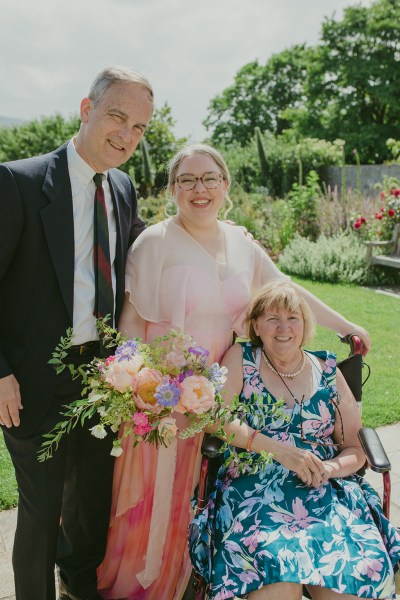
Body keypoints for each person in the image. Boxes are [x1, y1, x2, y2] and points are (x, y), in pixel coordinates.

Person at [97, 143, 372, 600]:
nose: (199, 189)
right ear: (172, 189)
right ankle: (140, 590)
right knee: (153, 500)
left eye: (209, 178)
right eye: (187, 180)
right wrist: (139, 387)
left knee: (204, 492)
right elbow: (129, 325)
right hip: (161, 395)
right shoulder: (153, 243)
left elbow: (290, 291)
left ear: (225, 184)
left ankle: (196, 579)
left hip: (224, 391)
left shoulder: (242, 243)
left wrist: (347, 327)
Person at [0, 65, 154, 600]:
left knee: (90, 505)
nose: (127, 135)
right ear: (87, 110)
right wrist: (0, 373)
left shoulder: (123, 187)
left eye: (140, 127)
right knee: (41, 512)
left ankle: (79, 588)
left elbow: (141, 251)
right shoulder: (16, 182)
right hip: (31, 381)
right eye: (117, 116)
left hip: (104, 379)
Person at [188, 279, 400, 600]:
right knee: (277, 584)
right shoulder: (242, 358)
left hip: (324, 491)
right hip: (254, 489)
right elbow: (217, 419)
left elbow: (355, 450)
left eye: (293, 318)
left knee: (347, 583)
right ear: (256, 326)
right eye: (273, 319)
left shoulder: (328, 369)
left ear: (305, 325)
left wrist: (328, 469)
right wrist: (282, 452)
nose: (283, 327)